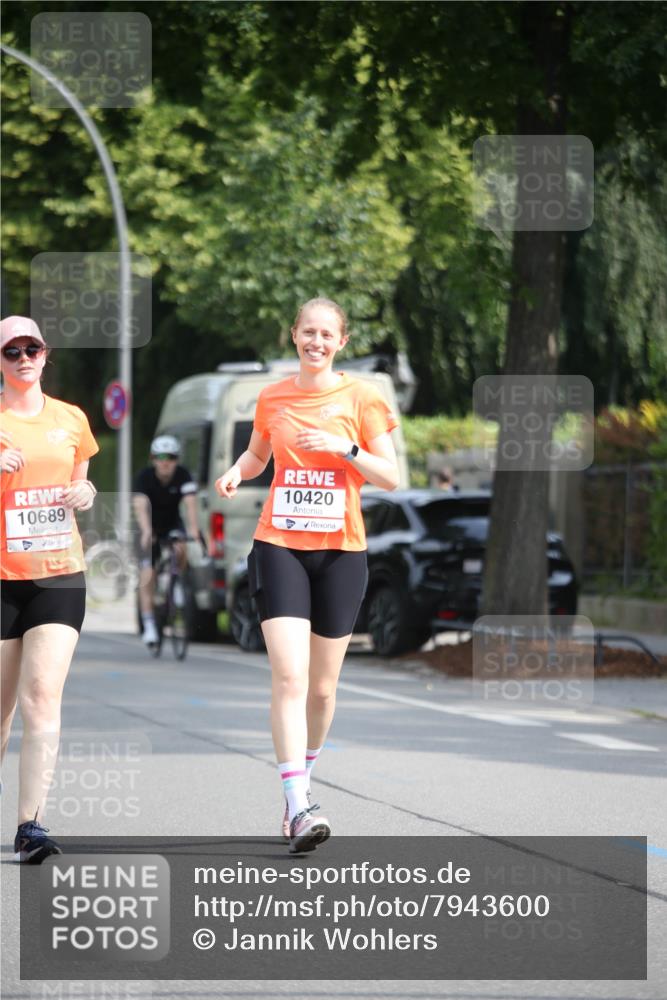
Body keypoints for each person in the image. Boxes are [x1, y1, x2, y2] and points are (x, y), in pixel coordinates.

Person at [215, 297, 399, 853]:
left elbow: (388, 476)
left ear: (342, 342)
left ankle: (303, 780)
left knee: (321, 690)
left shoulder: (363, 397)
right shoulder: (272, 396)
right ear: (293, 335)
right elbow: (257, 456)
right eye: (307, 332)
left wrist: (345, 448)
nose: (316, 342)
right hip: (280, 545)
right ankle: (298, 806)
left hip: (341, 551)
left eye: (327, 334)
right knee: (290, 679)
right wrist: (234, 472)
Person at [0, 315, 99, 863]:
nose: (22, 358)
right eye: (11, 350)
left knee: (41, 695)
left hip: (59, 572)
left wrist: (83, 491)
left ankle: (30, 824)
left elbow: (78, 479)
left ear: (45, 354)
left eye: (30, 348)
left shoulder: (71, 418)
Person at [132, 435, 199, 646]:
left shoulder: (183, 475)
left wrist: (194, 530)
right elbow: (140, 506)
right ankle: (150, 623)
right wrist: (145, 530)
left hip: (171, 523)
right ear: (153, 459)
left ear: (176, 459)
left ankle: (175, 580)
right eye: (160, 457)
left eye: (170, 457)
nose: (165, 462)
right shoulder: (144, 477)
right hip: (148, 526)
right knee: (147, 574)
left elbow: (190, 505)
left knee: (181, 547)